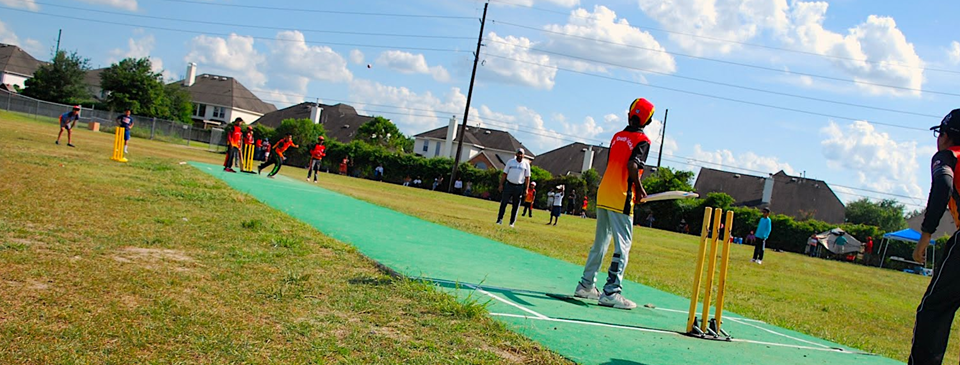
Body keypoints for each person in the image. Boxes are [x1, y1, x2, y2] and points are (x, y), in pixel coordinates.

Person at [574, 98, 653, 310]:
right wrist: (639, 188)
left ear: (629, 114)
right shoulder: (643, 140)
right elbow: (632, 165)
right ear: (649, 120)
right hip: (621, 196)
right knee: (623, 246)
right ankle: (611, 291)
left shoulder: (617, 136)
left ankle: (586, 285)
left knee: (600, 242)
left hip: (605, 192)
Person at [910, 109, 960, 364]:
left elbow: (943, 184)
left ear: (945, 135)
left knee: (935, 310)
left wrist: (926, 233)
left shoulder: (949, 155)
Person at [497, 148, 531, 228]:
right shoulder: (510, 162)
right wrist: (501, 184)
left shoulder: (526, 164)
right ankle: (499, 220)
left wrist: (526, 189)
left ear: (523, 155)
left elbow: (527, 178)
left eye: (521, 154)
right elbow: (504, 174)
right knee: (504, 203)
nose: (519, 155)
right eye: (518, 153)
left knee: (515, 205)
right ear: (516, 154)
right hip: (509, 185)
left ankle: (512, 222)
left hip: (519, 186)